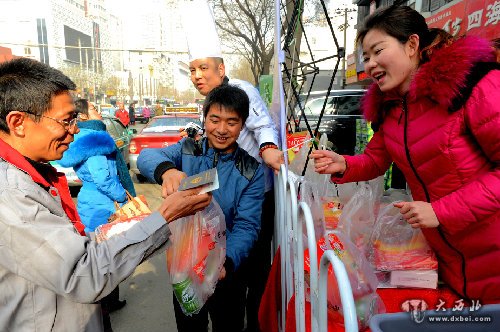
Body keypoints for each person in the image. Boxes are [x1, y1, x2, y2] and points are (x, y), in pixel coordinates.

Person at [0, 57, 212, 332]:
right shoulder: (10, 194)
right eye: (66, 120)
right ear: (18, 122)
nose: (74, 130)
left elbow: (66, 249)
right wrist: (165, 215)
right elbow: (83, 273)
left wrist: (124, 225)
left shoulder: (33, 175)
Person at [311, 5, 500, 304]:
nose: (370, 64)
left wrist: (440, 212)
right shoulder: (393, 108)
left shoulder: (475, 86)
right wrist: (344, 163)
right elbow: (376, 159)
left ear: (412, 44)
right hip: (451, 259)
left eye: (378, 50)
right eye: (366, 57)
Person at [182, 3, 283, 330]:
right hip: (220, 200)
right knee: (221, 275)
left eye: (203, 68)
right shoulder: (210, 103)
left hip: (254, 195)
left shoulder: (242, 90)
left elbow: (264, 127)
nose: (197, 75)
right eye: (192, 70)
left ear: (221, 67)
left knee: (252, 271)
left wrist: (268, 149)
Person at [137, 85, 265, 332]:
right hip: (184, 265)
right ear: (204, 118)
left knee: (228, 324)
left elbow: (248, 226)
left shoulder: (251, 170)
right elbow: (146, 157)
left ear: (242, 124)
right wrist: (168, 171)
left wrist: (224, 263)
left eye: (231, 122)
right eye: (214, 120)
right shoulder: (188, 149)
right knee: (189, 326)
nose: (221, 129)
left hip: (225, 272)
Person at [58, 98, 136, 324]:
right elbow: (103, 178)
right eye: (93, 109)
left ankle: (108, 301)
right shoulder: (95, 143)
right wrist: (122, 195)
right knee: (107, 252)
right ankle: (106, 303)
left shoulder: (84, 139)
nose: (99, 112)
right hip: (102, 203)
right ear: (82, 116)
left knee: (101, 250)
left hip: (93, 201)